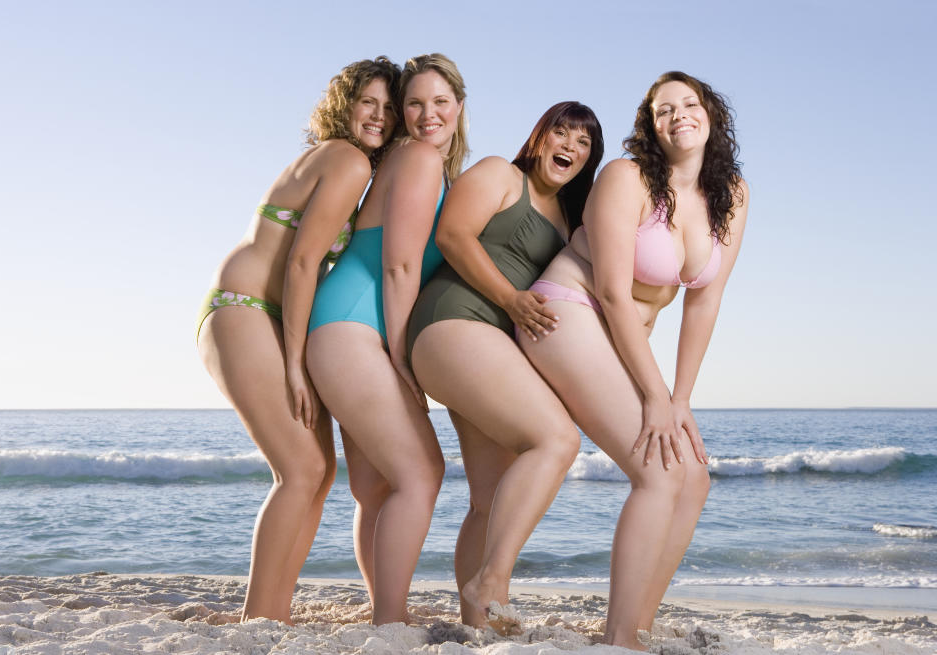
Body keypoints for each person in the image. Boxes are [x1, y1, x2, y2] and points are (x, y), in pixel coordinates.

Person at [519, 72, 748, 650]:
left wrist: (680, 399)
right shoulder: (627, 178)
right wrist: (653, 398)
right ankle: (619, 640)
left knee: (693, 478)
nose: (678, 116)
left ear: (711, 114)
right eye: (663, 110)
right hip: (568, 311)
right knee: (659, 470)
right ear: (651, 125)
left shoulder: (733, 195)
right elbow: (616, 294)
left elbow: (705, 300)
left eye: (689, 104)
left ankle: (637, 625)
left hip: (622, 339)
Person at [196, 57, 400, 623]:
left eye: (388, 107)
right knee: (301, 470)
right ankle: (260, 618)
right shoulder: (347, 159)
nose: (378, 116)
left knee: (319, 471)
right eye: (368, 103)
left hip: (260, 315)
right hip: (245, 310)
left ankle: (273, 610)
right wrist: (294, 362)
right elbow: (304, 261)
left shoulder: (341, 163)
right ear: (345, 104)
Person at [407, 102, 604, 630]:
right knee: (558, 440)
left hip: (491, 347)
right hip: (451, 322)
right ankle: (494, 581)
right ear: (539, 138)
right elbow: (453, 235)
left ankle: (474, 624)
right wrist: (511, 298)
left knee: (489, 500)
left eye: (583, 143)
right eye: (561, 133)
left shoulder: (571, 221)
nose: (570, 146)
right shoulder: (501, 173)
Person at [305, 53, 468, 625]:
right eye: (414, 104)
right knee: (422, 473)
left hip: (341, 329)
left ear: (459, 107)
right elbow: (400, 269)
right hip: (355, 331)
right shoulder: (421, 158)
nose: (427, 115)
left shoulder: (413, 162)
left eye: (438, 102)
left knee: (377, 488)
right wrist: (405, 359)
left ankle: (385, 611)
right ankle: (391, 622)